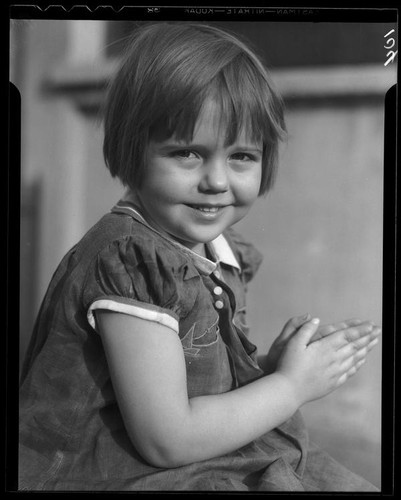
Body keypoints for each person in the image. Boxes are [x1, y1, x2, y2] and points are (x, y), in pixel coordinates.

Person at [19, 22, 381, 491]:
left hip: (199, 457)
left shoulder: (211, 250)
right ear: (132, 151)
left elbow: (196, 382)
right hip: (125, 472)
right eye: (187, 153)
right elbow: (165, 439)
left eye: (241, 157)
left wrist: (271, 368)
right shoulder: (131, 261)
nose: (216, 180)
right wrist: (291, 387)